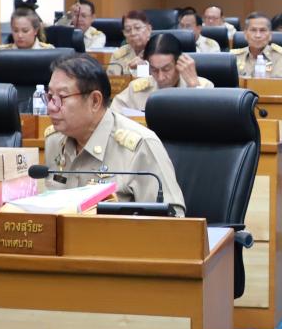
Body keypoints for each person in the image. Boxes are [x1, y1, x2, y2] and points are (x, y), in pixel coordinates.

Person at [42, 55, 186, 215]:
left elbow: (173, 219)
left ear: (95, 101)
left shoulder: (139, 146)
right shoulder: (54, 140)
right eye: (50, 96)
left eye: (61, 97)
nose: (51, 107)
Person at [110, 33, 213, 114]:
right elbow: (114, 115)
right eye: (154, 70)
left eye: (166, 69)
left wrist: (194, 87)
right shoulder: (137, 89)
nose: (160, 77)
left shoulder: (203, 86)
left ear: (179, 63)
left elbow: (210, 121)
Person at [232, 12, 282, 77]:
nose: (258, 35)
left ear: (270, 35)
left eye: (262, 30)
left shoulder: (278, 55)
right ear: (245, 34)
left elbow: (278, 81)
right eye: (253, 30)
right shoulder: (234, 56)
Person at [106, 10, 153, 75]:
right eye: (128, 30)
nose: (133, 33)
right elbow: (111, 79)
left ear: (149, 29)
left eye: (137, 28)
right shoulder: (119, 55)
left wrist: (144, 67)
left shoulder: (159, 52)